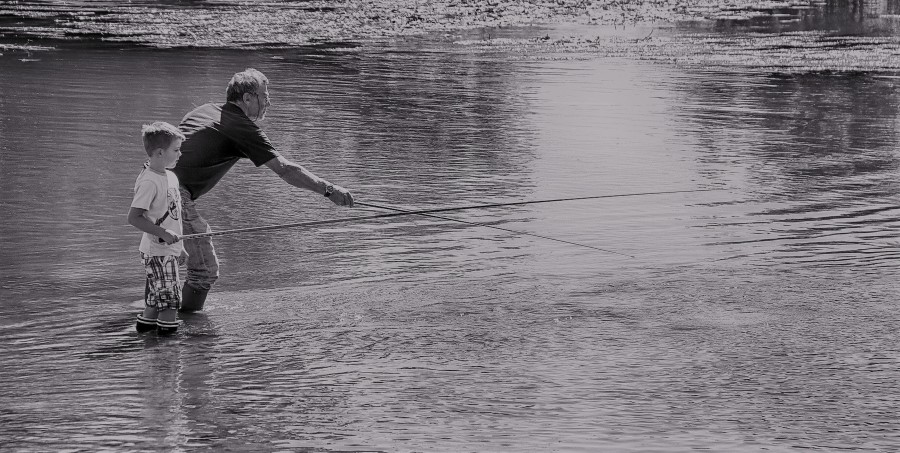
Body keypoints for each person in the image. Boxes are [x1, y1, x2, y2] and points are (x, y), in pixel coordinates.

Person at [172, 68, 354, 311]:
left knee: (162, 260)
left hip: (150, 182)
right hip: (173, 193)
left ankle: (153, 321)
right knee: (204, 271)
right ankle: (187, 332)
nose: (268, 102)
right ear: (247, 98)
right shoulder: (240, 126)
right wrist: (329, 190)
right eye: (264, 96)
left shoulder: (204, 110)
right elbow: (285, 169)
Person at [128, 122, 189, 335]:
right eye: (176, 149)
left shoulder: (170, 176)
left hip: (167, 251)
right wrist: (163, 234)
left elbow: (171, 217)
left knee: (155, 303)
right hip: (157, 253)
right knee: (171, 303)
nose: (180, 154)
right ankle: (168, 357)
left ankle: (145, 344)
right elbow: (134, 218)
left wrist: (179, 247)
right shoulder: (149, 181)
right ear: (160, 152)